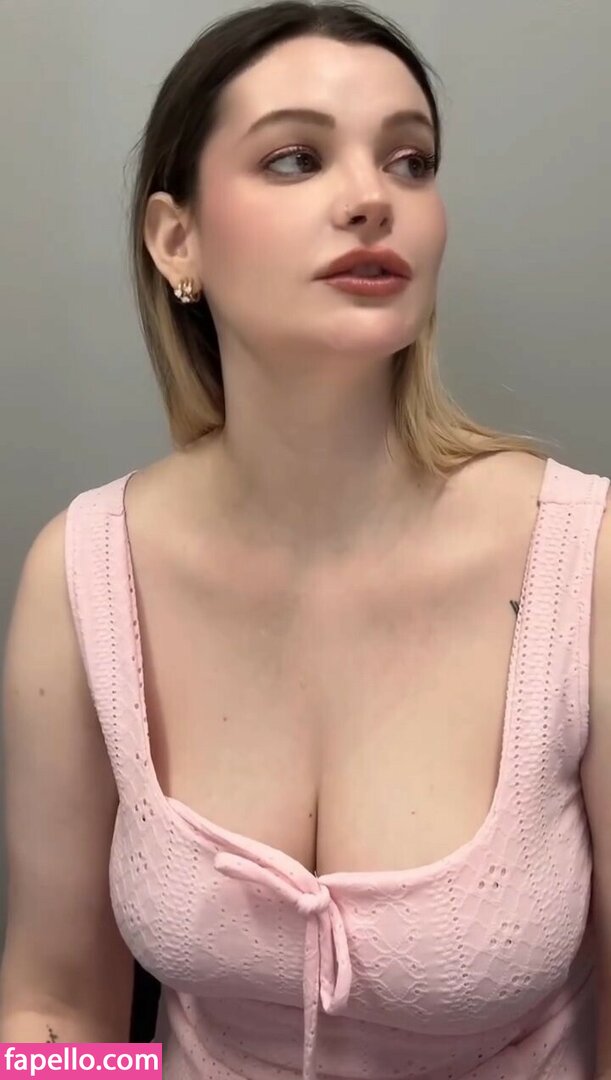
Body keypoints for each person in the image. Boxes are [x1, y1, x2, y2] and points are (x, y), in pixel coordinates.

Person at [1, 2, 610, 1077]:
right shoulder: (84, 572)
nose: (373, 198)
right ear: (176, 240)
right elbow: (56, 1001)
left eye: (410, 161)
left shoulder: (585, 560)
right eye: (294, 158)